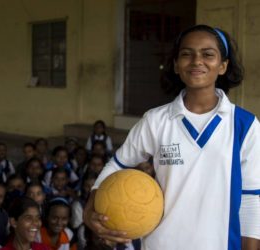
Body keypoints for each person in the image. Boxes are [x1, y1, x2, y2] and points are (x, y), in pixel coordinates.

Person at [84, 24, 260, 250]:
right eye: (187, 54)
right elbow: (117, 165)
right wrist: (91, 206)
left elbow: (251, 198)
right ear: (176, 65)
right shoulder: (156, 120)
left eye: (208, 54)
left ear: (223, 66)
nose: (197, 61)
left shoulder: (245, 125)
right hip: (161, 243)